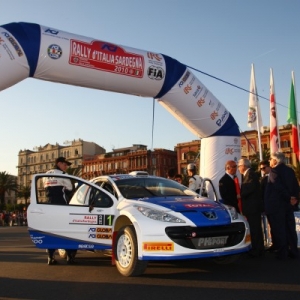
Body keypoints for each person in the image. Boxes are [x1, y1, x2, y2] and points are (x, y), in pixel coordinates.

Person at [265, 152, 299, 260]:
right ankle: (294, 252)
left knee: (280, 230)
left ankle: (283, 253)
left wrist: (289, 197)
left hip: (278, 206)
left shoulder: (274, 171)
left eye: (270, 159)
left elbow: (278, 187)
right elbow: (295, 186)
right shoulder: (290, 170)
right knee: (290, 229)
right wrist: (294, 198)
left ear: (275, 160)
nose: (269, 161)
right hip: (289, 205)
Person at [43, 156, 76, 265]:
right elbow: (70, 189)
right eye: (65, 164)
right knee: (65, 231)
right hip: (61, 207)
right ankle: (70, 256)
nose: (66, 166)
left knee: (51, 232)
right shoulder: (63, 175)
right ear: (59, 163)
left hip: (49, 208)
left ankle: (50, 257)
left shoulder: (46, 175)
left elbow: (45, 188)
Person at [238, 158, 265, 257]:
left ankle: (257, 250)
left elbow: (250, 189)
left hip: (253, 208)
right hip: (252, 207)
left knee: (255, 229)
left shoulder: (250, 174)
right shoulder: (248, 175)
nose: (238, 168)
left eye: (239, 166)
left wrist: (240, 195)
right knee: (255, 229)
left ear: (244, 166)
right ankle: (258, 248)